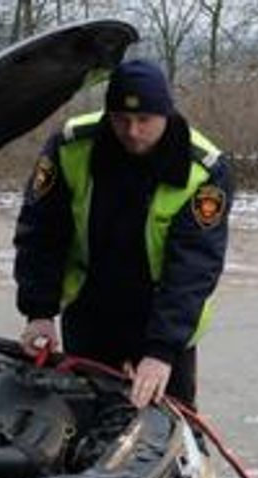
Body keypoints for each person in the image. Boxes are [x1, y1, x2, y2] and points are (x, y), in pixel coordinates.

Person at [13, 59, 231, 409]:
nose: (132, 131)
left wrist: (162, 351)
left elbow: (194, 266)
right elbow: (42, 232)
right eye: (121, 119)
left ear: (166, 113)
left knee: (172, 419)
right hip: (90, 306)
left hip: (160, 312)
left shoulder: (202, 168)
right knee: (83, 414)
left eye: (144, 120)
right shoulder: (71, 146)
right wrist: (39, 312)